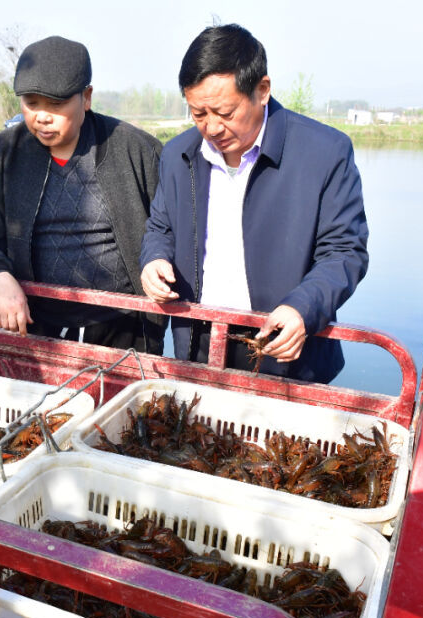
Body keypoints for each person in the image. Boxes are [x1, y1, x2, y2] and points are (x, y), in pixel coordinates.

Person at [140, 24, 369, 383]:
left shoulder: (325, 153)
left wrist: (302, 308)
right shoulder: (177, 155)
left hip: (285, 346)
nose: (212, 128)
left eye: (225, 113)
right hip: (198, 346)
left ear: (262, 90)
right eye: (199, 114)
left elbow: (344, 252)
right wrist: (153, 259)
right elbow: (161, 226)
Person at [0, 36, 165, 353]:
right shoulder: (0, 154)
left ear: (86, 97)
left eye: (55, 105)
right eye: (31, 103)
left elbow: (168, 229)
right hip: (32, 319)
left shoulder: (136, 149)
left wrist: (158, 262)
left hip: (122, 321)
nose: (42, 116)